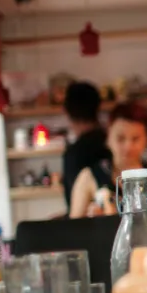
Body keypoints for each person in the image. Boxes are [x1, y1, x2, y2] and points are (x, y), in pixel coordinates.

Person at [69, 101, 147, 237]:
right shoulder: (89, 176)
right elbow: (73, 233)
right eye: (120, 138)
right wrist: (90, 221)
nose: (128, 147)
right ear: (108, 138)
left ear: (146, 140)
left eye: (135, 139)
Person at [61, 81, 111, 211]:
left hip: (87, 225)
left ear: (66, 112)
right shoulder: (111, 143)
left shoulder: (73, 153)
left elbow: (74, 205)